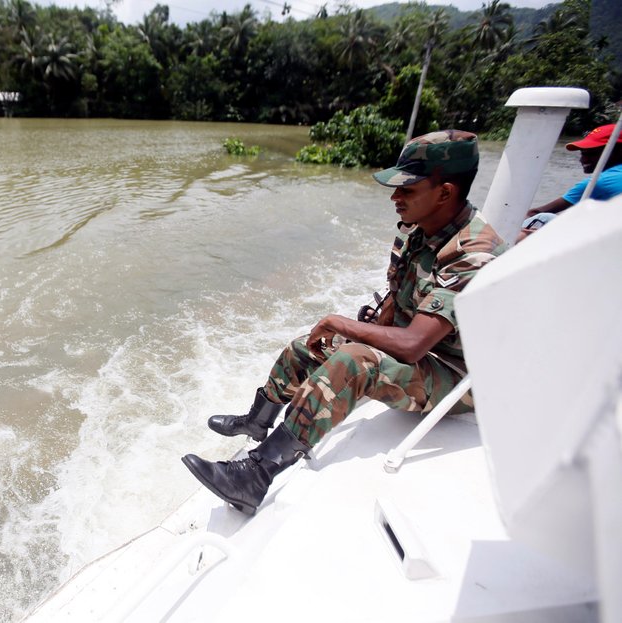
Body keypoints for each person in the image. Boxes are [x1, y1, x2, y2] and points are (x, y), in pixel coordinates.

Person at [182, 130, 507, 515]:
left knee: (352, 360)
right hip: (421, 351)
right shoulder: (418, 230)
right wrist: (369, 323)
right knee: (308, 347)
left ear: (445, 192)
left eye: (408, 189)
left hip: (454, 374)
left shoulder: (473, 252)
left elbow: (413, 344)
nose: (395, 198)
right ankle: (258, 420)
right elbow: (397, 297)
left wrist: (344, 325)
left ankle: (255, 475)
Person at [519, 124, 622, 241]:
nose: (582, 159)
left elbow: (535, 212)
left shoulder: (599, 182)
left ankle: (500, 249)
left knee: (544, 218)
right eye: (582, 153)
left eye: (590, 153)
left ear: (618, 151)